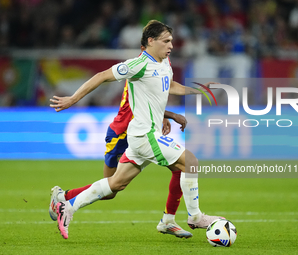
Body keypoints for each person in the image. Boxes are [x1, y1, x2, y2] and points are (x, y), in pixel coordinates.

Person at [50, 20, 224, 240]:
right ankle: (196, 217)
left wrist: (196, 91)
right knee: (190, 162)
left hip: (143, 136)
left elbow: (169, 85)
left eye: (172, 41)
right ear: (150, 41)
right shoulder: (138, 65)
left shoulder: (164, 62)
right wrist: (73, 99)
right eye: (166, 41)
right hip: (145, 135)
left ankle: (69, 206)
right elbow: (101, 76)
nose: (171, 45)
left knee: (115, 184)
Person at [49, 79, 192, 238]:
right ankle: (63, 198)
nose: (169, 52)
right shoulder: (140, 67)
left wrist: (160, 117)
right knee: (111, 190)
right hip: (121, 134)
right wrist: (170, 114)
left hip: (143, 132)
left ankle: (169, 220)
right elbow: (137, 102)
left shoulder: (162, 64)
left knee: (180, 167)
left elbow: (154, 96)